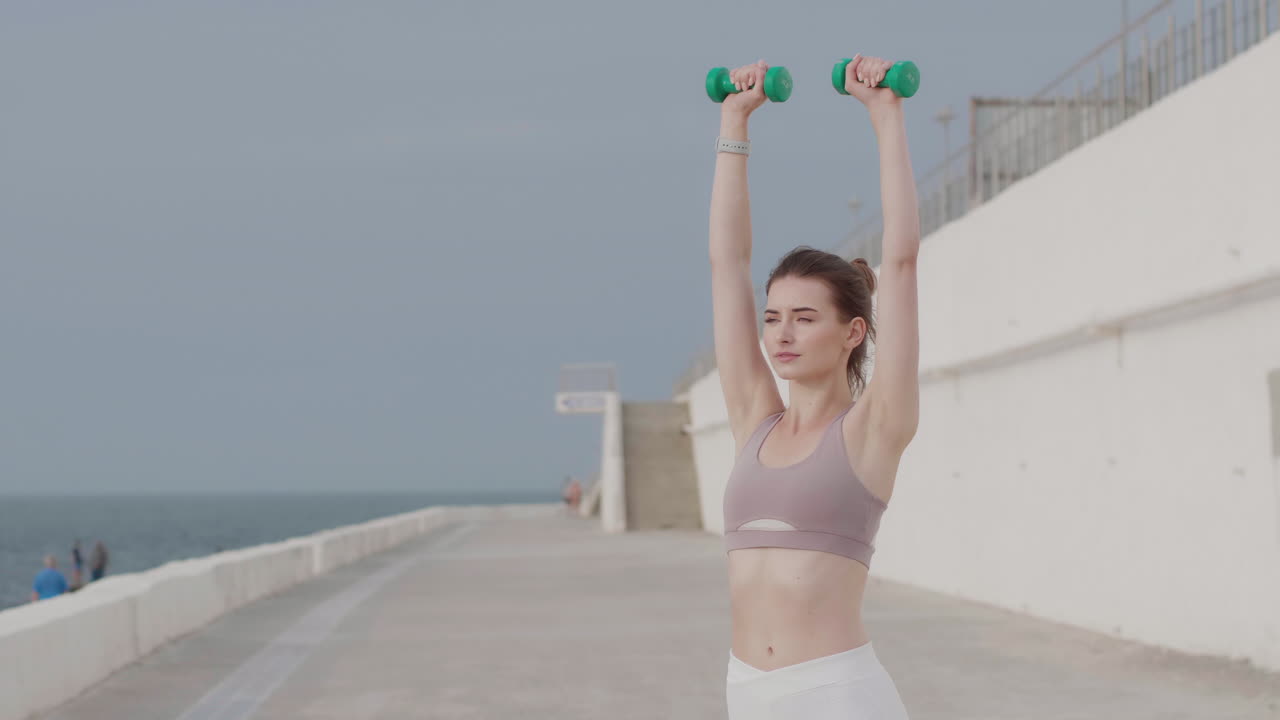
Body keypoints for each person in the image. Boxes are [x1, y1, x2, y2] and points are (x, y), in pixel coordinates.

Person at [711, 56, 920, 718]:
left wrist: (885, 114)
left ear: (853, 331)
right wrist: (734, 123)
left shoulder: (873, 429)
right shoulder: (755, 420)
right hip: (747, 690)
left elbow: (902, 261)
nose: (782, 333)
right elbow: (727, 265)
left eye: (805, 318)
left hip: (835, 694)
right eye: (774, 317)